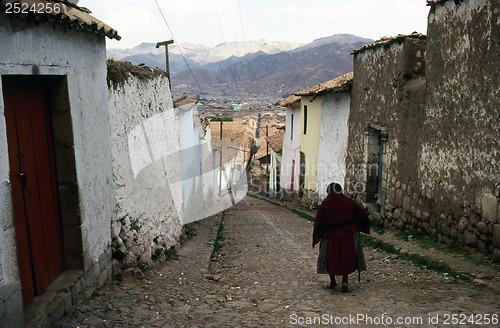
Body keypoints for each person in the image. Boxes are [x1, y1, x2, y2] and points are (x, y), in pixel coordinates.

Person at [312, 183, 370, 292]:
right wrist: (358, 226)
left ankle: (333, 282)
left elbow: (318, 221)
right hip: (348, 236)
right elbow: (361, 213)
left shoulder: (325, 204)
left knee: (330, 259)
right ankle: (345, 281)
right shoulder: (348, 201)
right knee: (346, 258)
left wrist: (317, 236)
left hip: (330, 238)